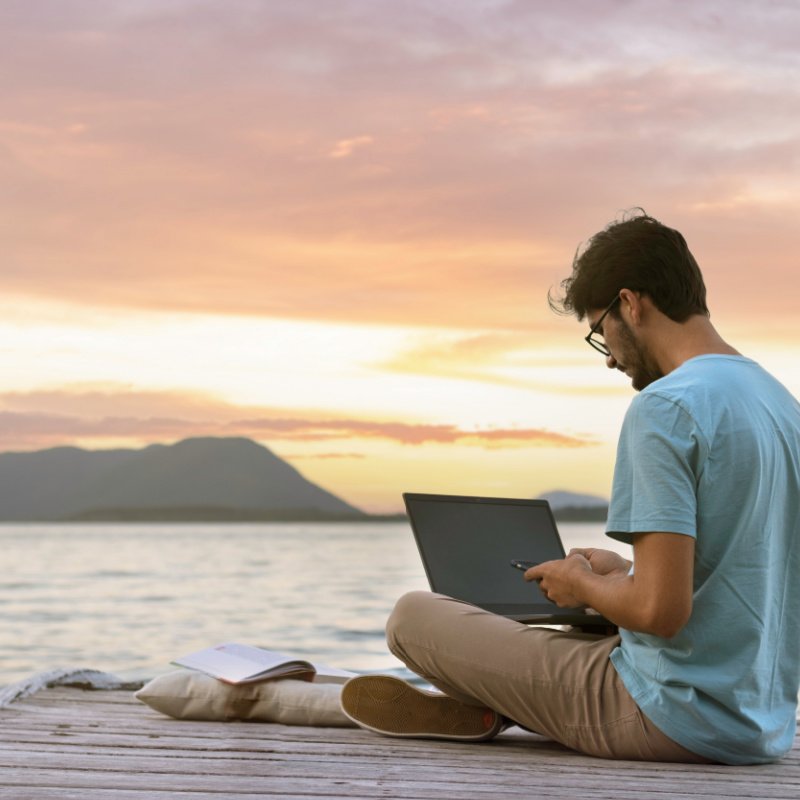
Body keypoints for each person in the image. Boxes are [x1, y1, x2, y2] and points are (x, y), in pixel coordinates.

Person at [340, 210, 800, 764]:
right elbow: (745, 578)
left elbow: (659, 612)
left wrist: (579, 585)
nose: (608, 355)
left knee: (413, 617)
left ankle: (493, 701)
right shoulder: (781, 405)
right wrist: (624, 575)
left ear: (631, 303)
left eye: (599, 329)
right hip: (760, 723)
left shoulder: (666, 408)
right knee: (581, 632)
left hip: (667, 714)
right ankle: (493, 702)